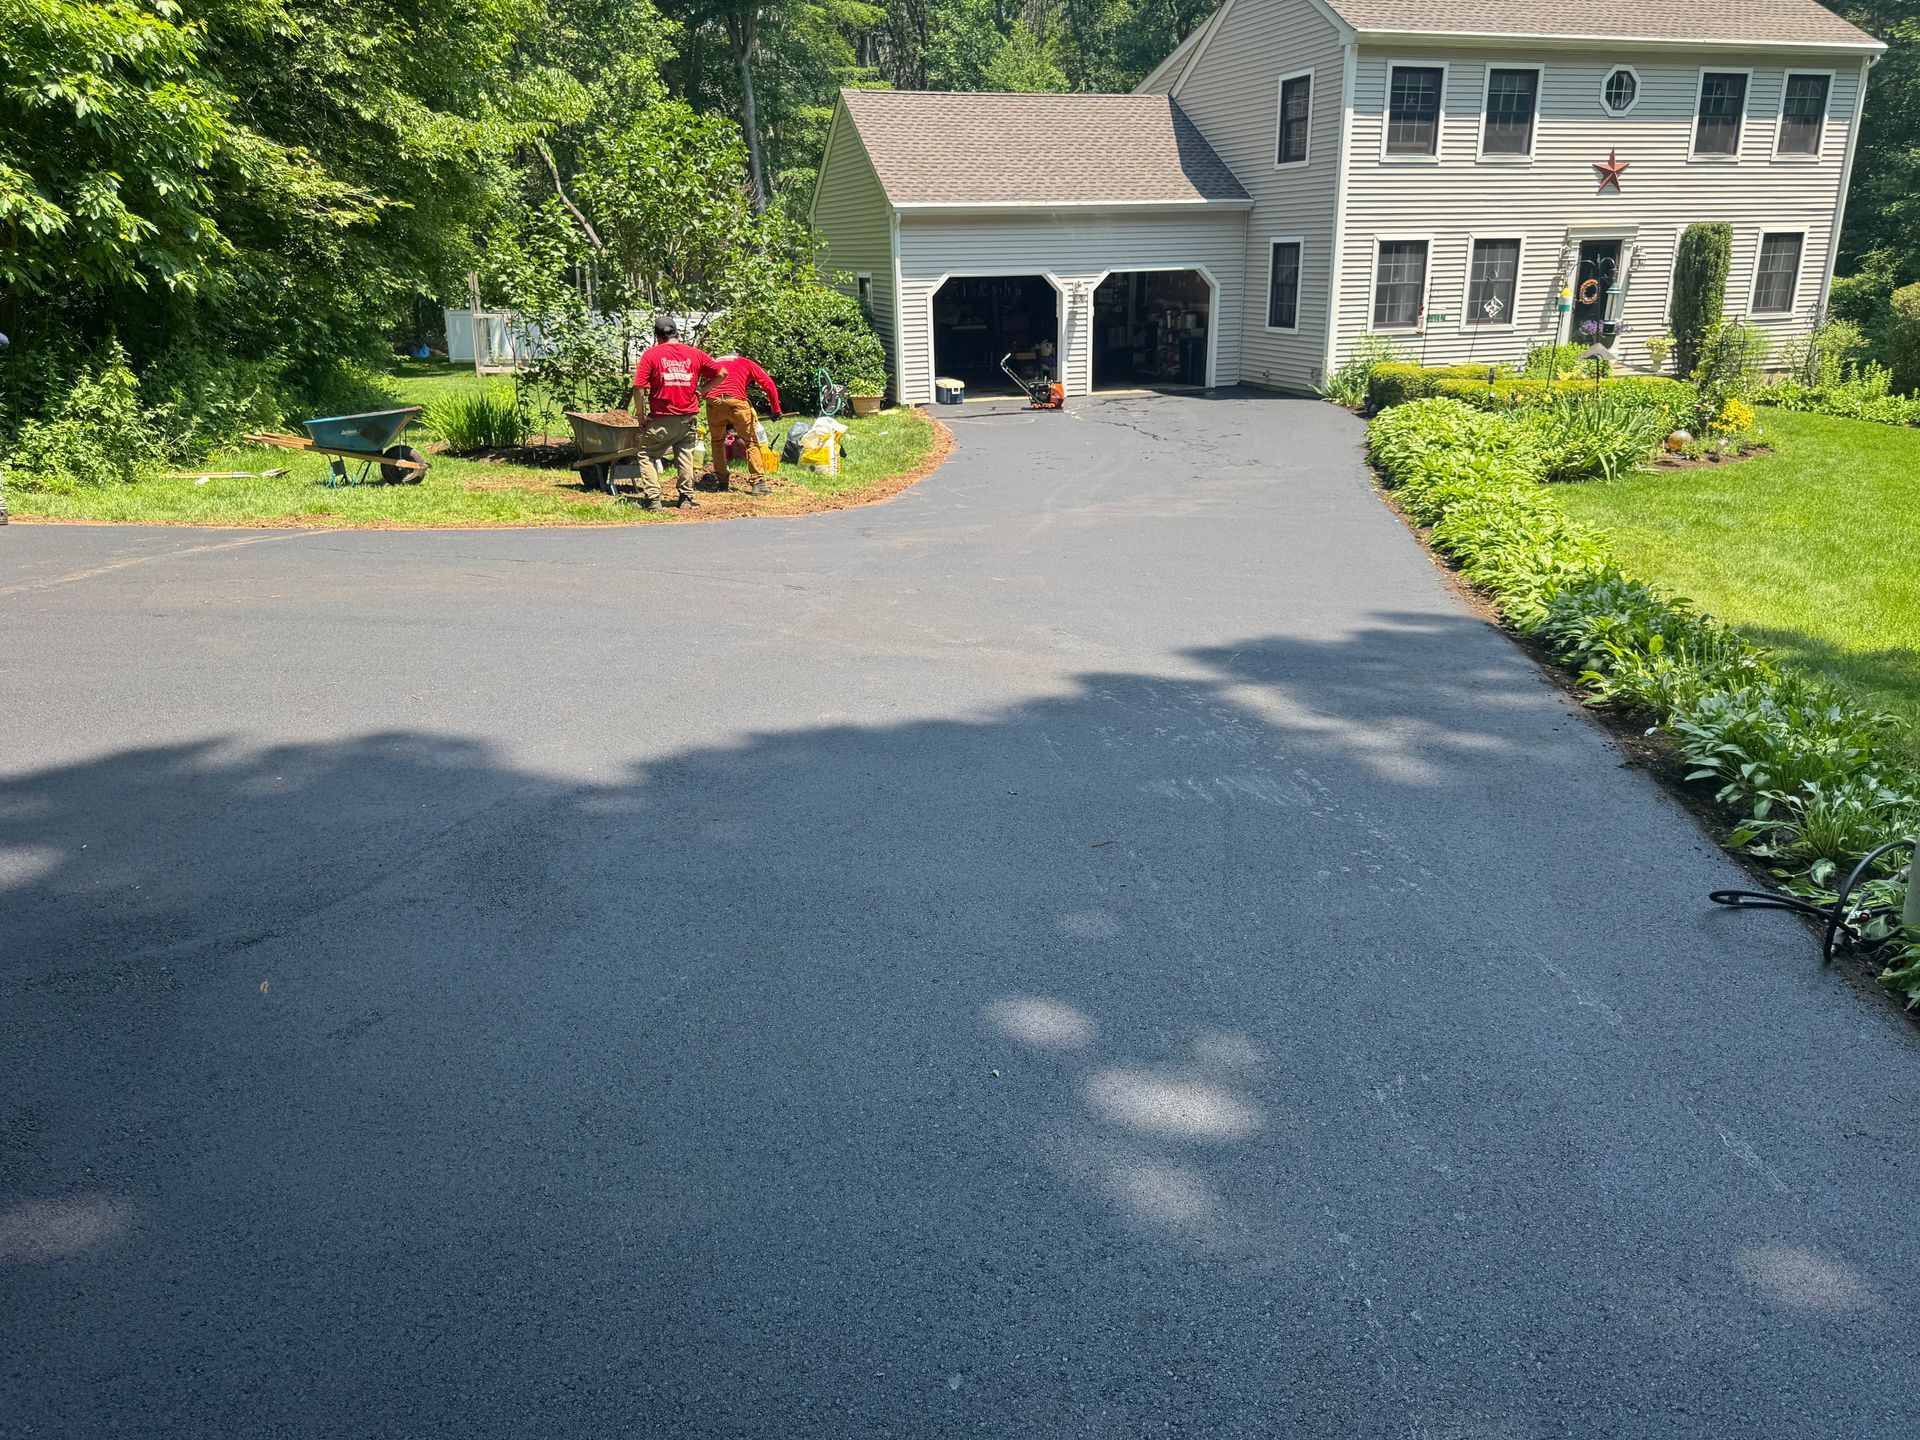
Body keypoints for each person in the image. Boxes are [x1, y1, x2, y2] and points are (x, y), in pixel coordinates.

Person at [624, 318, 723, 510]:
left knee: (646, 454)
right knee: (685, 455)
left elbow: (639, 387)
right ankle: (686, 498)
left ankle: (653, 499)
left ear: (658, 336)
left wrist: (642, 416)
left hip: (662, 418)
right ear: (676, 333)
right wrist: (702, 390)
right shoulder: (695, 354)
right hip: (689, 418)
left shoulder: (651, 355)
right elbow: (722, 374)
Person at [703, 352, 781, 495]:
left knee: (717, 442)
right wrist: (776, 410)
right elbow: (768, 383)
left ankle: (722, 483)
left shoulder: (714, 362)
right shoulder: (746, 362)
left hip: (713, 400)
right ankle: (758, 483)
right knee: (750, 442)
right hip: (736, 401)